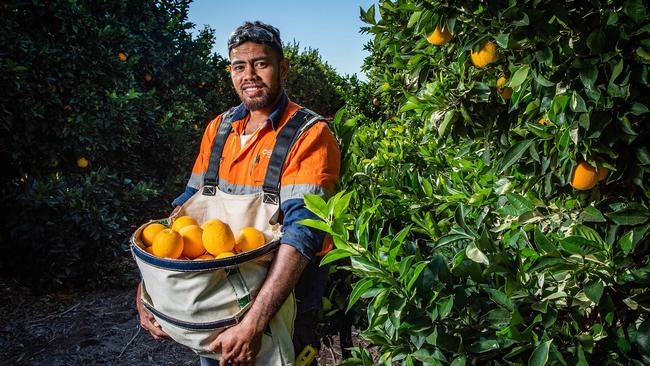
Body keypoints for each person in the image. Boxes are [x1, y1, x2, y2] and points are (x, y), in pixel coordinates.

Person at [136, 20, 340, 366]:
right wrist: (147, 290)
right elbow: (180, 216)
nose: (250, 75)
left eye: (261, 63)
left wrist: (254, 323)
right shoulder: (218, 129)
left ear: (282, 67)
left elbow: (301, 236)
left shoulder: (310, 134)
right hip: (218, 304)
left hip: (279, 306)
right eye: (239, 66)